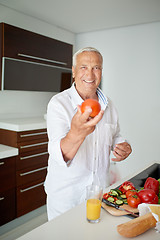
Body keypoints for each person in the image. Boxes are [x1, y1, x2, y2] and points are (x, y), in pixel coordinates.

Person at [44, 47, 132, 221]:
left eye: (96, 68)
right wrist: (76, 133)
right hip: (66, 197)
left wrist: (122, 145)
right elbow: (59, 154)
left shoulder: (110, 105)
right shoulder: (58, 104)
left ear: (101, 72)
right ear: (74, 72)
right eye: (84, 67)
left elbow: (114, 135)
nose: (90, 74)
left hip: (99, 193)